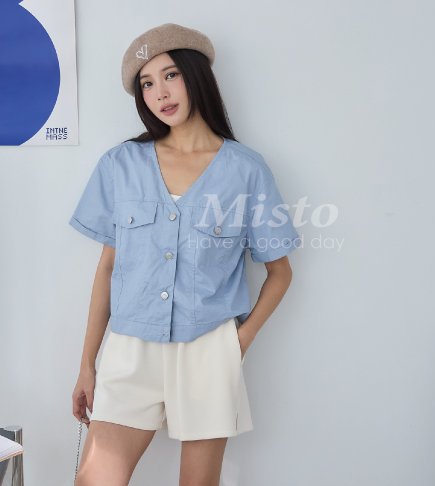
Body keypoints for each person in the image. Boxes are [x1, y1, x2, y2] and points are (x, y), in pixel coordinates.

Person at [69, 22, 301, 486]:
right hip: (130, 349)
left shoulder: (246, 170)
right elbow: (108, 267)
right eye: (147, 84)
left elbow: (280, 272)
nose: (160, 93)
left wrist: (238, 342)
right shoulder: (120, 165)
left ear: (196, 76)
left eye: (170, 75)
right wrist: (87, 365)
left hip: (208, 350)